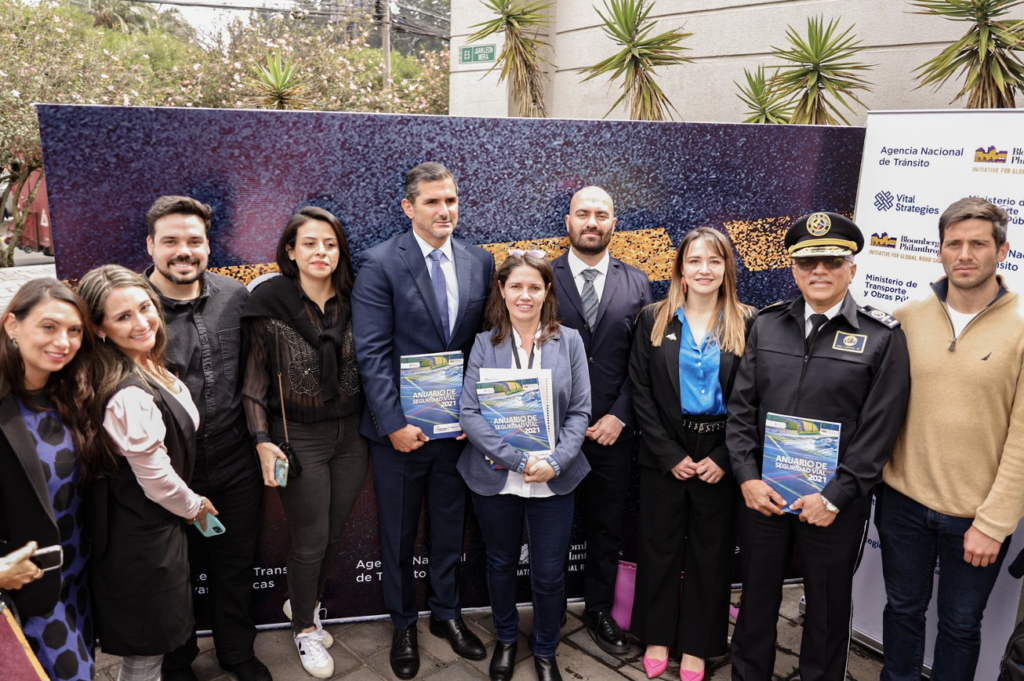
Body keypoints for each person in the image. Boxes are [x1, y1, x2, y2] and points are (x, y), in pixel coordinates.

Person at [727, 212, 911, 681]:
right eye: (808, 263)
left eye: (832, 261)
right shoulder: (766, 325)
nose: (820, 271)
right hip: (765, 495)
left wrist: (835, 497)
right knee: (756, 598)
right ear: (794, 270)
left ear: (852, 269)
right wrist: (747, 478)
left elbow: (880, 429)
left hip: (834, 504)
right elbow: (742, 409)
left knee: (827, 610)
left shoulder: (881, 336)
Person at [352, 162, 494, 679]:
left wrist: (476, 418)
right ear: (409, 207)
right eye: (433, 201)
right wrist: (392, 423)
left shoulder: (480, 261)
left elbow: (484, 345)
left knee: (450, 529)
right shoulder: (380, 263)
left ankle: (447, 615)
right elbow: (371, 353)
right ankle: (404, 625)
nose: (444, 210)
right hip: (400, 435)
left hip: (457, 431)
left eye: (451, 200)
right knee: (398, 533)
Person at [877, 197, 1024, 681]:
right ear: (939, 250)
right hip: (902, 504)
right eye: (954, 243)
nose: (964, 254)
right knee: (902, 612)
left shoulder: (1022, 327)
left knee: (960, 627)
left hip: (975, 516)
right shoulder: (907, 316)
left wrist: (994, 522)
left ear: (1002, 250)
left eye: (978, 244)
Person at [143, 196, 269, 681]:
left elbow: (254, 376)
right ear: (151, 245)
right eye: (171, 241)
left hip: (234, 461)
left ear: (208, 246)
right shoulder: (132, 307)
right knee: (171, 572)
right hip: (167, 470)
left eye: (194, 241)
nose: (184, 251)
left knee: (234, 565)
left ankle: (236, 652)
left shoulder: (234, 296)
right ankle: (177, 660)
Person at [241, 206, 368, 679]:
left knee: (333, 533)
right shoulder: (268, 300)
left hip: (352, 435)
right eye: (310, 243)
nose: (321, 252)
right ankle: (305, 629)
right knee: (311, 539)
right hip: (298, 438)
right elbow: (253, 382)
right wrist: (261, 439)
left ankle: (305, 602)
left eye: (330, 244)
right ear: (290, 251)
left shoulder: (357, 297)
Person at [79, 265, 218, 681]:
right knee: (145, 654)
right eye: (123, 316)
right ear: (99, 328)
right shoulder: (129, 395)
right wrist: (195, 506)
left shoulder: (145, 364)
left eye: (145, 308)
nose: (141, 323)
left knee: (150, 647)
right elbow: (156, 478)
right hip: (140, 540)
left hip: (152, 530)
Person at [458, 253, 592, 681]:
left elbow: (580, 412)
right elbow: (469, 413)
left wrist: (555, 461)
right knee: (500, 562)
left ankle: (546, 648)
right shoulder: (485, 343)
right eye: (516, 286)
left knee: (549, 573)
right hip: (498, 475)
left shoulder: (569, 341)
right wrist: (516, 459)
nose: (525, 295)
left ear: (547, 290)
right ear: (502, 290)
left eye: (535, 287)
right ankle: (507, 639)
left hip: (554, 476)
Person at [629, 228, 753, 680]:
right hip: (666, 449)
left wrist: (725, 457)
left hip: (722, 450)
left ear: (726, 269)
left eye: (714, 261)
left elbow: (754, 398)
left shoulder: (748, 321)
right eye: (695, 260)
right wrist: (667, 453)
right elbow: (640, 390)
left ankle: (699, 644)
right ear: (681, 267)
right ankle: (657, 635)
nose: (704, 269)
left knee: (711, 553)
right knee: (658, 546)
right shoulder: (653, 318)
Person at [551, 186, 652, 654]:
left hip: (612, 433)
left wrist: (620, 415)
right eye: (583, 213)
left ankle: (598, 610)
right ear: (568, 222)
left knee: (606, 528)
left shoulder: (637, 282)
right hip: (554, 433)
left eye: (601, 214)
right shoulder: (543, 278)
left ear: (614, 223)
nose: (591, 222)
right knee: (550, 528)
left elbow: (645, 362)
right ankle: (549, 611)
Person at [0, 277, 96, 681]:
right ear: (12, 325)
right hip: (24, 589)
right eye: (49, 327)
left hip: (76, 583)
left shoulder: (71, 392)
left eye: (74, 330)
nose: (63, 341)